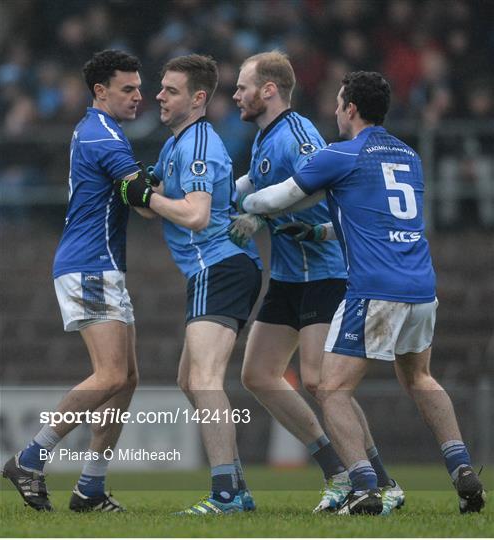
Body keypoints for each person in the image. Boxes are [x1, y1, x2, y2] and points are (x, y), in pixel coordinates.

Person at [237, 70, 486, 515]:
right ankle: (462, 469)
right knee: (420, 379)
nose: (334, 110)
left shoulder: (340, 155)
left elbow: (274, 199)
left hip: (374, 288)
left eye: (337, 103)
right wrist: (320, 232)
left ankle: (367, 487)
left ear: (350, 108)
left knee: (331, 389)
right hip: (421, 286)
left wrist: (242, 202)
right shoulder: (408, 155)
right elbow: (377, 222)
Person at [229, 51, 403, 515]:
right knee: (257, 375)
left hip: (325, 270)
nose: (236, 94)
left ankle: (380, 482)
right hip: (288, 276)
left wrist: (259, 215)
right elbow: (248, 186)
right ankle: (337, 471)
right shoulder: (266, 139)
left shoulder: (299, 133)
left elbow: (319, 188)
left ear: (269, 90)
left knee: (321, 382)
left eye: (243, 85)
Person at [118, 54, 262, 515]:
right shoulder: (175, 144)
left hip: (219, 266)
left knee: (203, 379)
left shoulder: (199, 145)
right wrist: (135, 189)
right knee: (189, 379)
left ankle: (226, 494)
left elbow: (196, 216)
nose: (158, 96)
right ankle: (235, 487)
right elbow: (149, 204)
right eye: (160, 88)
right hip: (216, 269)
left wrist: (150, 197)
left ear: (198, 98)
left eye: (171, 90)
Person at [2, 50, 144, 512]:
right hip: (89, 264)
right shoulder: (102, 134)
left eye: (139, 87)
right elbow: (143, 199)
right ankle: (30, 457)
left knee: (126, 380)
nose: (138, 95)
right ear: (100, 91)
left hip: (101, 264)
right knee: (111, 374)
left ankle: (90, 489)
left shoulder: (102, 130)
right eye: (128, 88)